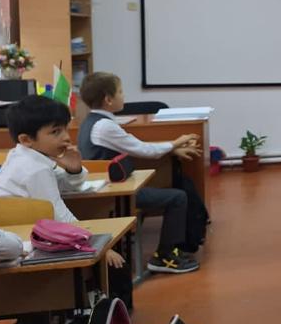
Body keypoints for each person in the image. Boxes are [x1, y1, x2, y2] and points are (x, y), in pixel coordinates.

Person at [78, 72, 202, 274]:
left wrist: (171, 150)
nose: (124, 96)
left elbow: (136, 148)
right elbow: (144, 150)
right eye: (120, 92)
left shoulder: (92, 122)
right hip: (115, 195)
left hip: (110, 187)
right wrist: (176, 142)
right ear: (108, 99)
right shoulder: (104, 126)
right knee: (178, 197)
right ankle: (164, 256)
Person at [0, 96, 125, 269]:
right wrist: (98, 246)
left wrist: (73, 170)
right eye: (55, 132)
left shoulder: (26, 155)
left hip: (16, 234)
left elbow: (65, 186)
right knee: (111, 263)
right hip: (13, 247)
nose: (66, 137)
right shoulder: (34, 168)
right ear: (26, 140)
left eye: (65, 129)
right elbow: (58, 214)